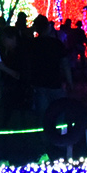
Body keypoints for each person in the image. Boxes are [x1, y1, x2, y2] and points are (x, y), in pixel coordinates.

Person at [28, 14, 70, 157]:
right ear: (48, 27)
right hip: (55, 84)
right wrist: (70, 82)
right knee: (58, 115)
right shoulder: (56, 44)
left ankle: (45, 145)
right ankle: (58, 142)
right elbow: (65, 64)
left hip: (40, 85)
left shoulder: (33, 44)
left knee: (43, 116)